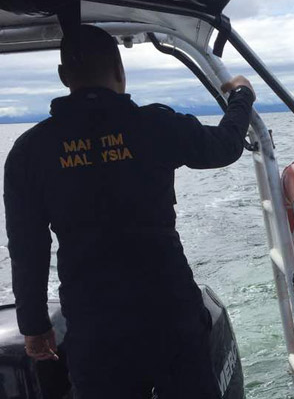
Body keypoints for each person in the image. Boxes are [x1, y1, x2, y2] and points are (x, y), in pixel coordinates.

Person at [4, 25, 255, 398]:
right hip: (170, 312)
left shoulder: (29, 151)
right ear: (120, 71)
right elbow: (226, 146)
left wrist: (35, 324)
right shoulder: (155, 124)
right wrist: (241, 96)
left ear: (63, 77)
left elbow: (27, 247)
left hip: (95, 325)